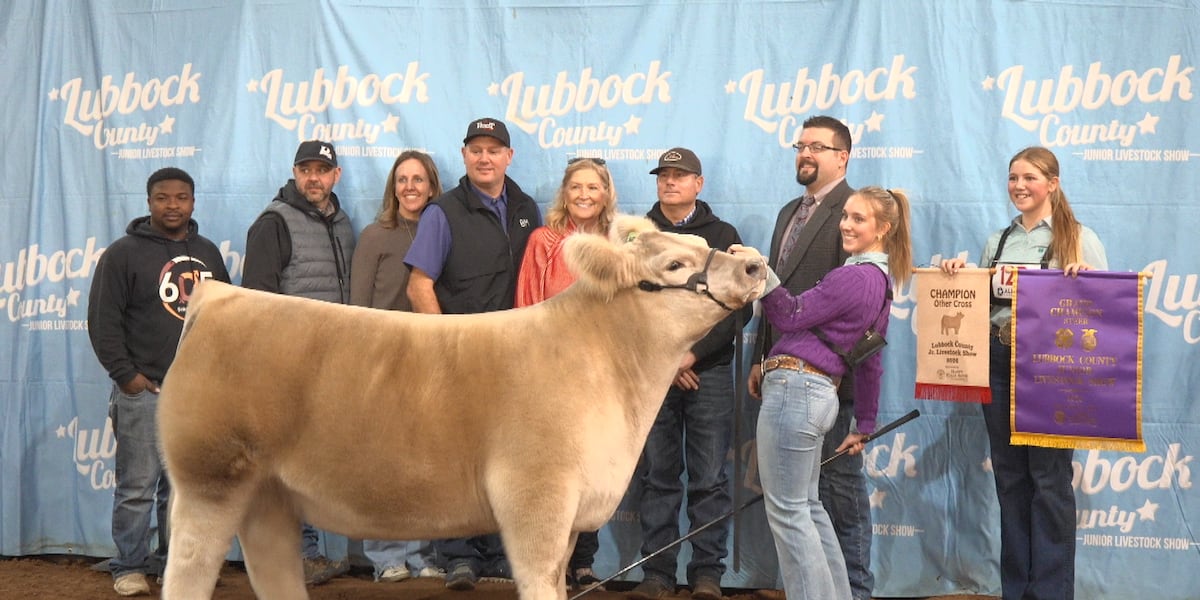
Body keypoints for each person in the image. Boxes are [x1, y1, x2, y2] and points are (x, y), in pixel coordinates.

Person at [940, 146, 1106, 600]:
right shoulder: (998, 240)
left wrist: (1087, 280)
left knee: (1049, 481)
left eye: (1029, 177)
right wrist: (956, 275)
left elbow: (1101, 314)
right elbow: (978, 302)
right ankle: (1015, 590)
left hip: (1052, 367)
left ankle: (1050, 592)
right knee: (1010, 478)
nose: (1019, 186)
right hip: (997, 359)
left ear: (1052, 183)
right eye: (1013, 177)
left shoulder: (1079, 238)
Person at [737, 185, 912, 600]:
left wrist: (761, 272)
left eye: (858, 218)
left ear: (883, 229)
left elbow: (788, 314)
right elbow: (870, 361)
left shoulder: (853, 277)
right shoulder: (881, 283)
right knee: (807, 507)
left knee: (790, 512)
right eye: (846, 216)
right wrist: (863, 424)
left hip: (796, 390)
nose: (846, 225)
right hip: (817, 396)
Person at [404, 117, 541, 590]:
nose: (485, 158)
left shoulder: (526, 209)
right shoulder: (442, 212)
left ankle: (501, 554)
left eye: (493, 150)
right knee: (458, 460)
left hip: (514, 360)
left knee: (509, 461)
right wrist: (446, 347)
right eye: (476, 149)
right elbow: (419, 285)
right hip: (460, 358)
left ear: (509, 157)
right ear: (463, 156)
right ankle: (459, 555)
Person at [87, 167, 232, 596]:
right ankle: (129, 566)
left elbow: (227, 318)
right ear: (149, 202)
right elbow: (103, 321)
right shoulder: (122, 254)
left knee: (183, 490)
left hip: (197, 395)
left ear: (193, 202)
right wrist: (127, 377)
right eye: (163, 198)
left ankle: (176, 567)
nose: (173, 205)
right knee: (137, 488)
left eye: (181, 197)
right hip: (145, 391)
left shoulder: (207, 253)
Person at [748, 115, 875, 600]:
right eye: (801, 145)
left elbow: (853, 311)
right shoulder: (789, 212)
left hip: (825, 376)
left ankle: (857, 590)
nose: (805, 153)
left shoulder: (854, 212)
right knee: (807, 502)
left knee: (836, 490)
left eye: (817, 147)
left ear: (842, 157)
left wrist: (847, 382)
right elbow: (774, 290)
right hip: (784, 367)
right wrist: (761, 355)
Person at [628, 148, 749, 600]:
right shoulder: (638, 237)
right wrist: (668, 358)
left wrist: (691, 355)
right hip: (653, 374)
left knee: (709, 477)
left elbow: (740, 305)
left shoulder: (722, 235)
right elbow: (628, 306)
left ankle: (706, 575)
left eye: (680, 175)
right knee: (658, 475)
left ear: (699, 184)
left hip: (708, 373)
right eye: (663, 175)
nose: (669, 182)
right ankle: (657, 574)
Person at [242, 139, 356, 585]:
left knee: (309, 464)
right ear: (294, 172)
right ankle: (295, 557)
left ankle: (304, 554)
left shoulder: (342, 223)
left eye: (322, 170)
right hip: (287, 366)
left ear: (336, 175)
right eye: (306, 169)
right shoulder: (274, 223)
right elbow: (257, 304)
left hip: (331, 367)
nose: (314, 178)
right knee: (285, 464)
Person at [514, 157, 617, 589]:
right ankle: (548, 568)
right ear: (564, 193)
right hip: (552, 375)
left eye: (593, 187)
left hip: (604, 379)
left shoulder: (619, 246)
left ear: (606, 194)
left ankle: (584, 562)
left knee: (594, 469)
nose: (584, 195)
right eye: (576, 187)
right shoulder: (544, 240)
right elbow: (527, 307)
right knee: (554, 474)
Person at [351, 150, 445, 581]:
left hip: (427, 360)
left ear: (432, 186)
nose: (410, 187)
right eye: (402, 179)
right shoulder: (375, 236)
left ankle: (421, 554)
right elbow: (357, 307)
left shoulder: (441, 231)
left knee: (424, 462)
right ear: (393, 187)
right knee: (383, 463)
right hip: (382, 361)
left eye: (418, 179)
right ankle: (385, 556)